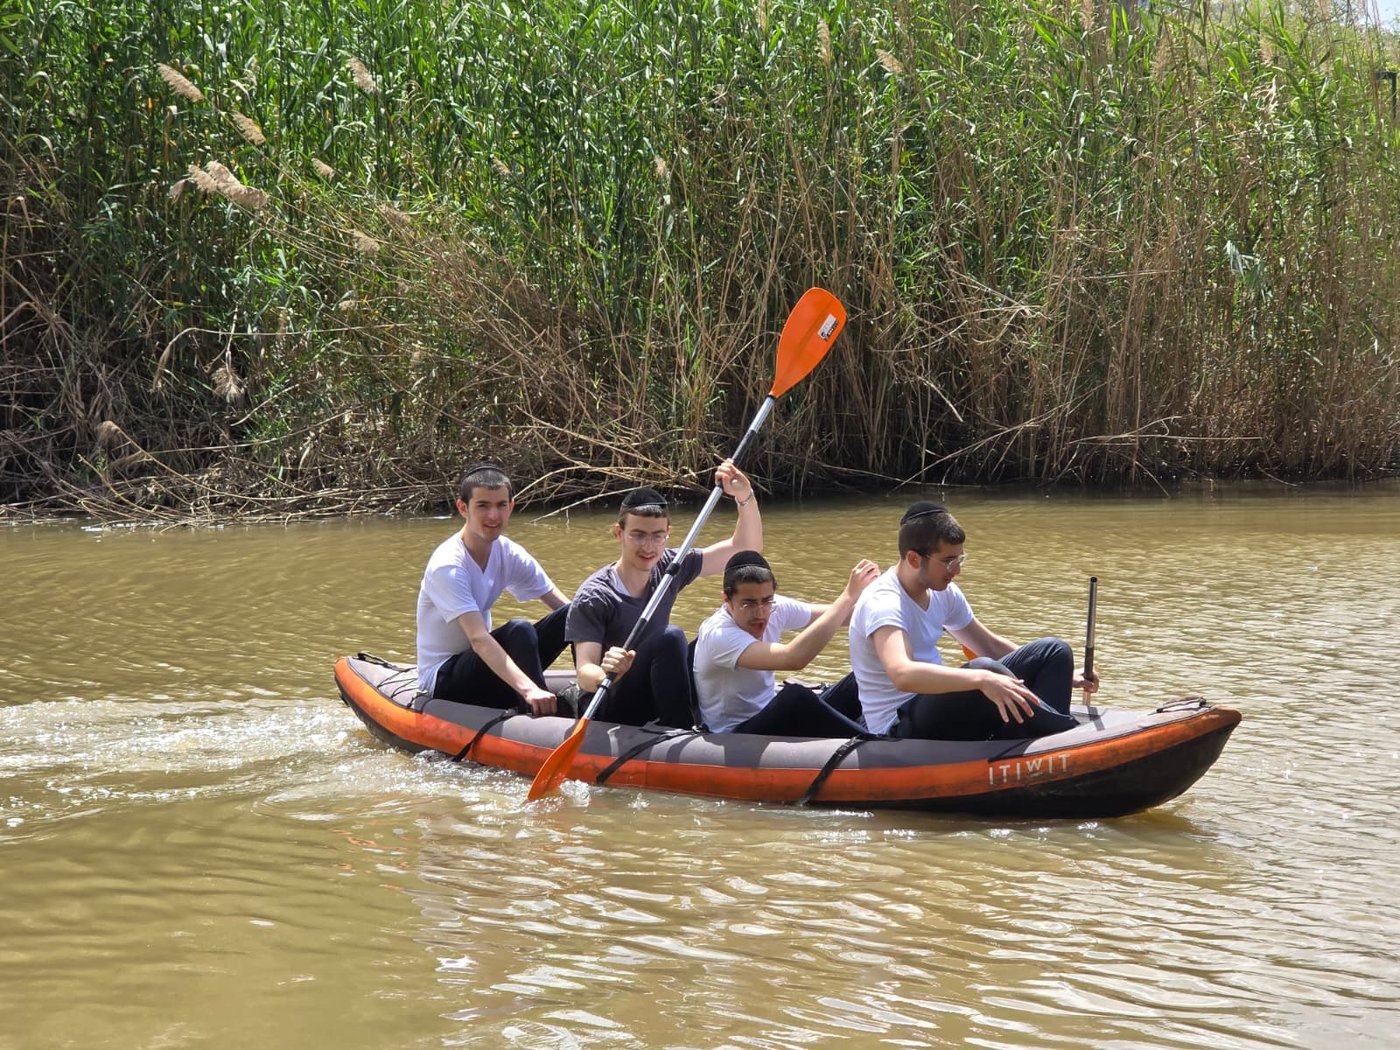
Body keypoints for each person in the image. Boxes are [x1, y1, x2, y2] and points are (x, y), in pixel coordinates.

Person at [848, 501, 1099, 741]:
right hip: (899, 725)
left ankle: (1037, 742)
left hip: (940, 708)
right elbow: (902, 674)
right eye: (948, 561)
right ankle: (1067, 731)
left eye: (960, 559)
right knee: (984, 669)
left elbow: (987, 645)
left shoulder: (943, 591)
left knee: (1054, 651)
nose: (956, 570)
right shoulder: (884, 602)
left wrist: (1068, 677)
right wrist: (981, 679)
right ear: (914, 559)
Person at [566, 460, 761, 728]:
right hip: (610, 700)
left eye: (657, 536)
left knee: (708, 640)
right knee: (671, 636)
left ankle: (710, 713)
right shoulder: (595, 595)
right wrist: (604, 672)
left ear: (668, 534)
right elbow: (584, 672)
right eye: (638, 535)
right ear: (618, 533)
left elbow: (746, 548)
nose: (648, 547)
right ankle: (680, 726)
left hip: (651, 686)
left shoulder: (671, 566)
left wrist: (744, 496)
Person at [415, 462, 570, 715]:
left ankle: (596, 696)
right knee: (519, 630)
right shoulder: (448, 565)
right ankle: (540, 714)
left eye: (500, 505)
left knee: (576, 614)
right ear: (463, 508)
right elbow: (478, 638)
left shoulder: (509, 552)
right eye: (483, 506)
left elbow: (564, 608)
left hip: (483, 667)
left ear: (511, 507)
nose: (493, 516)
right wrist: (530, 689)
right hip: (444, 678)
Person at [693, 551, 880, 737]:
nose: (760, 613)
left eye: (766, 601)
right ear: (727, 600)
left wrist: (891, 603)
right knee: (794, 697)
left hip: (771, 715)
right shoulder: (719, 635)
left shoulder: (775, 607)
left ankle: (888, 729)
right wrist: (848, 595)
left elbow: (841, 616)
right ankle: (878, 745)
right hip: (736, 734)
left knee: (863, 674)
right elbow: (793, 659)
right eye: (748, 604)